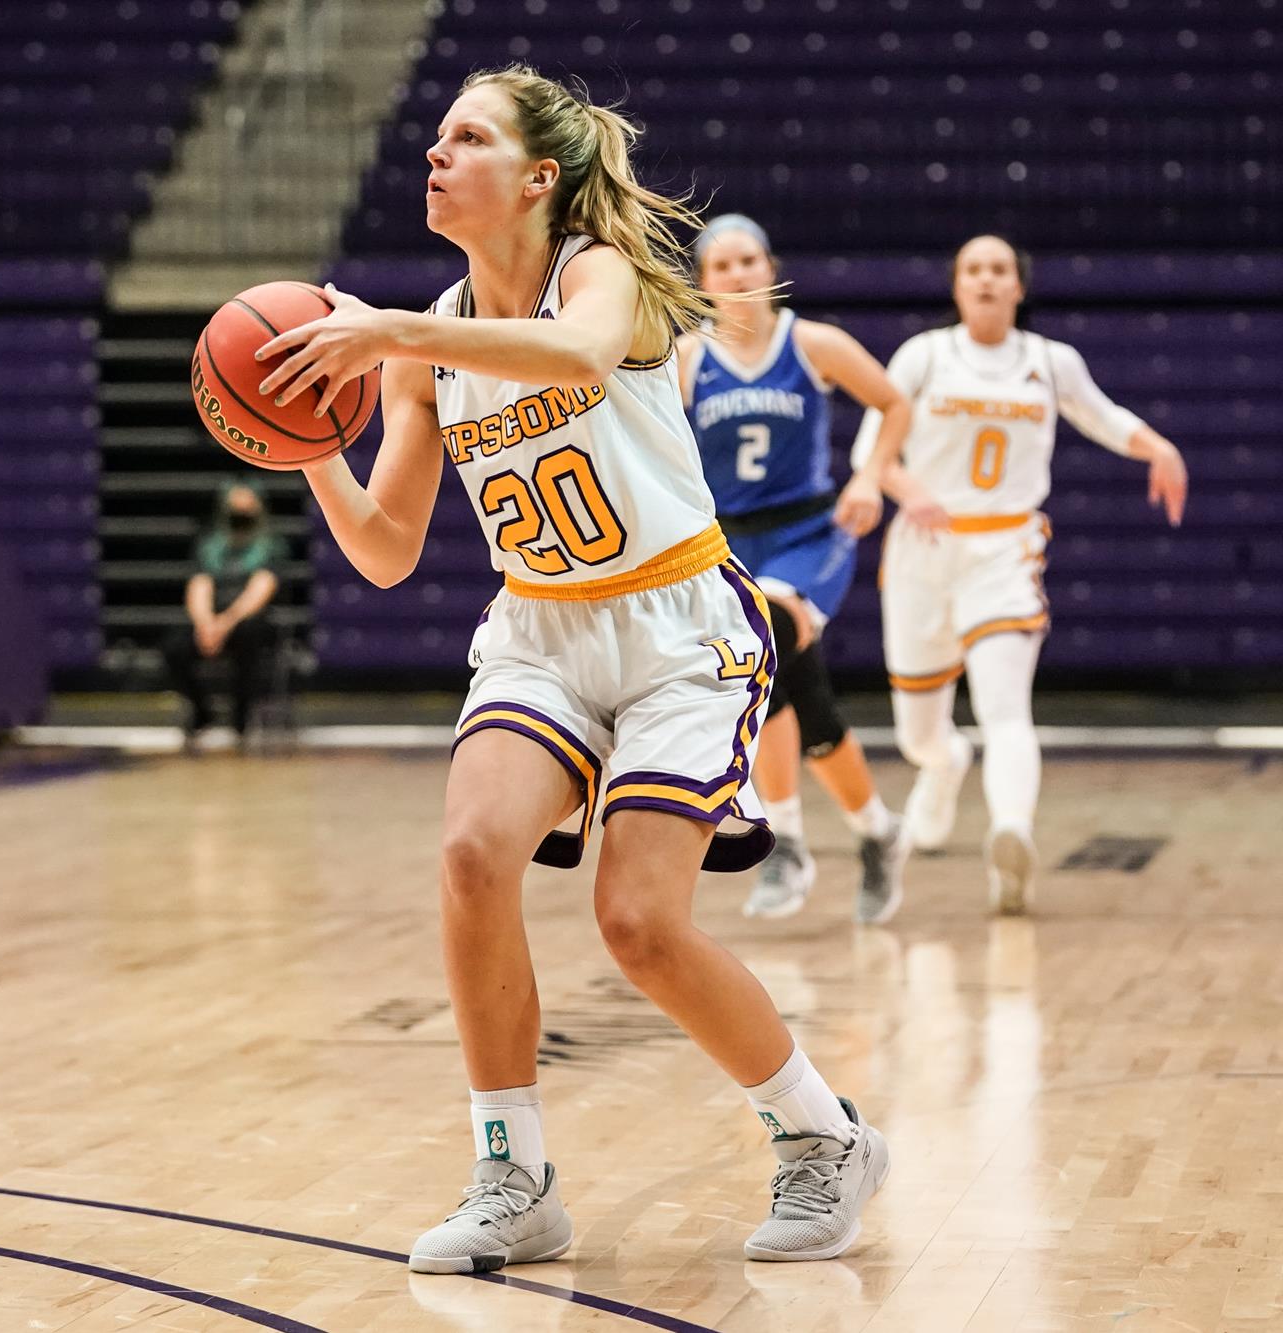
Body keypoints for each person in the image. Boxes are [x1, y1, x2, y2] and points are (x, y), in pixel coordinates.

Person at [252, 65, 888, 1271]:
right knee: (467, 855)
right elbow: (386, 552)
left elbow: (581, 356)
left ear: (538, 176)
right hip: (539, 633)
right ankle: (513, 1172)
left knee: (638, 923)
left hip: (676, 631)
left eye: (466, 136)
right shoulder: (422, 346)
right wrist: (307, 449)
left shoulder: (597, 275)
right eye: (434, 137)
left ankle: (821, 1134)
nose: (433, 153)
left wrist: (389, 327)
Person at [855, 235, 1189, 914]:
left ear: (1018, 286)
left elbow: (1103, 416)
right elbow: (872, 452)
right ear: (956, 285)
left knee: (1006, 707)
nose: (985, 279)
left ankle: (1011, 833)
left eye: (999, 269)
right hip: (923, 547)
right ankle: (945, 764)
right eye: (973, 269)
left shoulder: (1049, 360)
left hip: (1006, 548)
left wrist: (1160, 447)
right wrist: (904, 485)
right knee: (919, 733)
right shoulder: (924, 355)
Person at [679, 214, 929, 924]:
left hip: (809, 533)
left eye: (749, 260)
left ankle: (784, 838)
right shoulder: (686, 360)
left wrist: (871, 476)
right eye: (722, 266)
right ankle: (878, 830)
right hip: (728, 545)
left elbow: (893, 402)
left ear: (771, 267)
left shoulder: (812, 342)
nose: (738, 274)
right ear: (703, 283)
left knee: (771, 641)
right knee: (792, 691)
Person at [161, 482, 281, 746]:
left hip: (246, 617)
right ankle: (201, 712)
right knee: (175, 646)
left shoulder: (269, 545)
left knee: (250, 637)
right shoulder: (210, 545)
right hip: (211, 618)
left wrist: (226, 623)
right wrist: (206, 624)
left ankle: (242, 717)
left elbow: (261, 588)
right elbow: (199, 583)